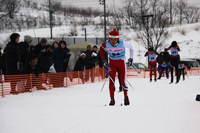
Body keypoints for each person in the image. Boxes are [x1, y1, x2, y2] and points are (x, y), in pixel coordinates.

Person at [100, 29, 134, 106]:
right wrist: (104, 60)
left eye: (114, 39)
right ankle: (112, 99)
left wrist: (131, 58)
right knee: (111, 81)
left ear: (117, 39)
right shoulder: (106, 43)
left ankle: (126, 97)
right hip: (112, 63)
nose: (112, 41)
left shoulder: (122, 43)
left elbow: (131, 47)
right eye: (111, 39)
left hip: (121, 62)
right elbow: (101, 48)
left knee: (123, 81)